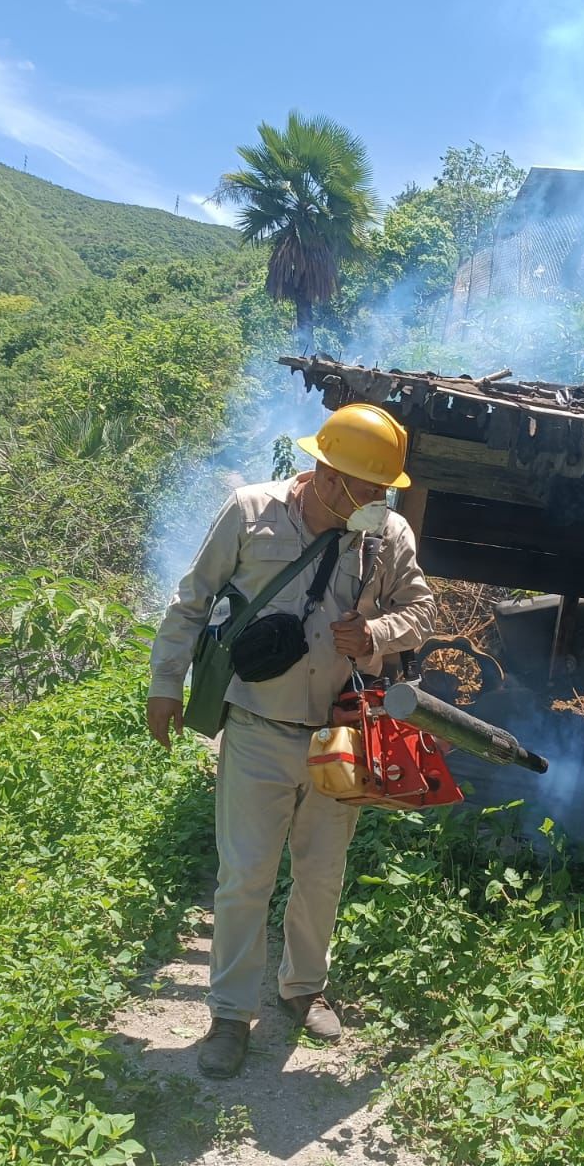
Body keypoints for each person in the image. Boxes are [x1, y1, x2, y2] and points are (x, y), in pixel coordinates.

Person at [147, 403, 435, 1079]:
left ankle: (303, 988)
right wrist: (165, 685)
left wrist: (376, 636)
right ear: (326, 472)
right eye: (366, 488)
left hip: (340, 736)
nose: (376, 500)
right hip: (255, 727)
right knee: (246, 874)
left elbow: (422, 610)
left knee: (321, 872)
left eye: (383, 490)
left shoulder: (387, 535)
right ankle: (228, 1014)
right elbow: (191, 600)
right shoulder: (250, 512)